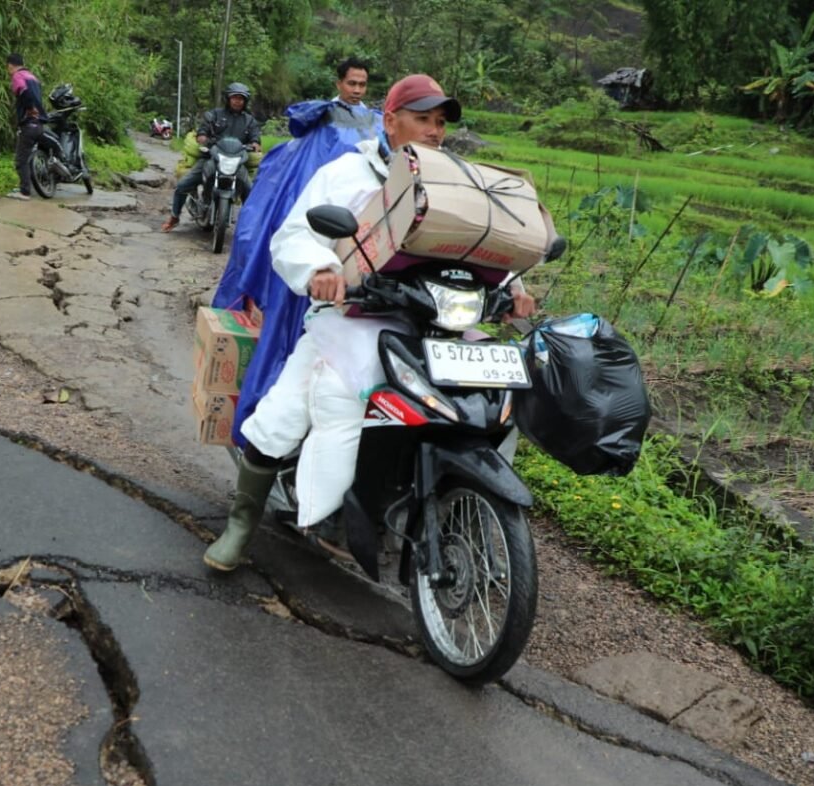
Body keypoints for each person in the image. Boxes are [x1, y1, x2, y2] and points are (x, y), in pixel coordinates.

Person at [203, 73, 538, 572]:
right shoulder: (348, 173)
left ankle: (453, 503)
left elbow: (478, 242)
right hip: (350, 320)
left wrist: (513, 287)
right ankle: (241, 524)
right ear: (390, 120)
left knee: (492, 397)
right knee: (283, 415)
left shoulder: (452, 178)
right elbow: (293, 235)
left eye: (440, 122)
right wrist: (320, 269)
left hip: (431, 326)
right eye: (422, 119)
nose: (433, 131)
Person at [211, 58, 380, 452]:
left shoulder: (381, 140)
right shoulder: (322, 134)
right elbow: (294, 223)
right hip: (319, 251)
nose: (357, 89)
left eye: (363, 83)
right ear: (338, 83)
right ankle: (255, 481)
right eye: (351, 82)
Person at [162, 83, 263, 231]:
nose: (237, 101)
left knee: (251, 190)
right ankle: (174, 217)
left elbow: (256, 139)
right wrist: (203, 137)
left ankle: (252, 227)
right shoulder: (215, 114)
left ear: (245, 101)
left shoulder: (249, 121)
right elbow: (202, 131)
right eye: (234, 97)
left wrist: (254, 144)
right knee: (183, 185)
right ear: (228, 99)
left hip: (236, 163)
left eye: (241, 98)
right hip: (212, 158)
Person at [5, 53, 46, 201]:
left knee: (20, 159)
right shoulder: (33, 77)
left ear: (10, 65)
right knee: (28, 156)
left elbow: (24, 92)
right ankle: (28, 185)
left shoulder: (17, 76)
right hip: (39, 124)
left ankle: (24, 192)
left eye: (7, 66)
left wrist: (29, 109)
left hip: (29, 123)